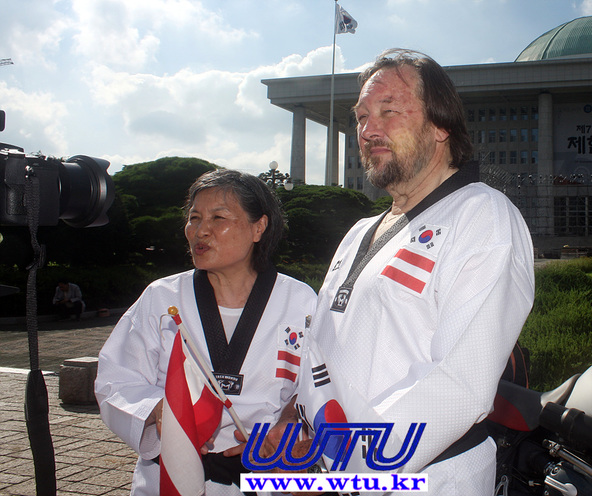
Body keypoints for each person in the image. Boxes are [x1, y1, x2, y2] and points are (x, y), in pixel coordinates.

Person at [259, 49, 536, 495]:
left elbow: (461, 379)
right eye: (361, 116)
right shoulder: (360, 232)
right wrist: (297, 415)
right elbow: (324, 347)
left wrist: (358, 467)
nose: (368, 130)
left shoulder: (482, 215)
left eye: (389, 111)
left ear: (441, 125)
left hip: (423, 477)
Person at [95, 169, 317, 496]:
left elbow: (318, 386)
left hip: (263, 477)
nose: (201, 231)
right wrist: (161, 410)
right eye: (194, 218)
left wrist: (289, 423)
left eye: (218, 217)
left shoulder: (299, 301)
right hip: (168, 478)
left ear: (259, 227)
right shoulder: (163, 298)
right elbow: (116, 380)